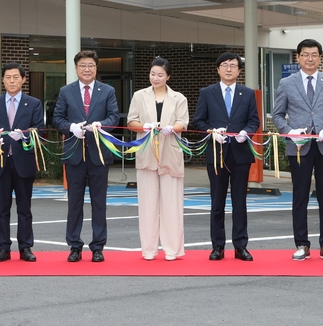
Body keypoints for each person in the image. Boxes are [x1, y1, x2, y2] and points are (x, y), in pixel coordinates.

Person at [271, 39, 323, 262]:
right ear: (298, 57)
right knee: (300, 196)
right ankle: (302, 244)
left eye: (314, 54)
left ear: (320, 58)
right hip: (299, 148)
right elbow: (276, 115)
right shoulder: (287, 83)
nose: (310, 58)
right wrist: (290, 131)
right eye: (305, 54)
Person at [53, 50, 120, 263]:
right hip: (74, 154)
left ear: (96, 67)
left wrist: (102, 125)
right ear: (76, 68)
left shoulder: (107, 90)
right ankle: (74, 246)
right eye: (82, 65)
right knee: (74, 203)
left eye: (90, 65)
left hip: (99, 154)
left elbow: (114, 117)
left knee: (99, 202)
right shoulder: (66, 91)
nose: (87, 69)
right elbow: (57, 118)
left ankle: (98, 246)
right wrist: (70, 128)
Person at [193, 52, 260, 262]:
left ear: (239, 70)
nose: (229, 69)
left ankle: (241, 246)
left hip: (240, 153)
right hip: (217, 153)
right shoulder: (207, 92)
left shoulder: (247, 94)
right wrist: (213, 132)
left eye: (233, 65)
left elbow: (254, 120)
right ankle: (218, 246)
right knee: (217, 202)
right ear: (218, 69)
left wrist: (245, 133)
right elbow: (198, 121)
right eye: (224, 65)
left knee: (240, 202)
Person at [127, 57, 190, 261]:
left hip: (170, 152)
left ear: (168, 77)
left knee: (172, 203)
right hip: (147, 151)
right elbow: (131, 121)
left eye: (160, 75)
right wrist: (145, 126)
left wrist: (173, 128)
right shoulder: (139, 96)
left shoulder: (178, 97)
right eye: (153, 74)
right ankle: (149, 249)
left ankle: (172, 249)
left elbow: (183, 122)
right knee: (147, 203)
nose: (155, 78)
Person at [0, 63, 44, 263]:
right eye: (8, 77)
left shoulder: (34, 103)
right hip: (2, 160)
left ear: (23, 79)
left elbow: (40, 130)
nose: (11, 81)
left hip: (23, 162)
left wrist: (25, 135)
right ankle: (2, 247)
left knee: (24, 208)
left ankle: (25, 247)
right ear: (2, 80)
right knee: (2, 207)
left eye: (15, 77)